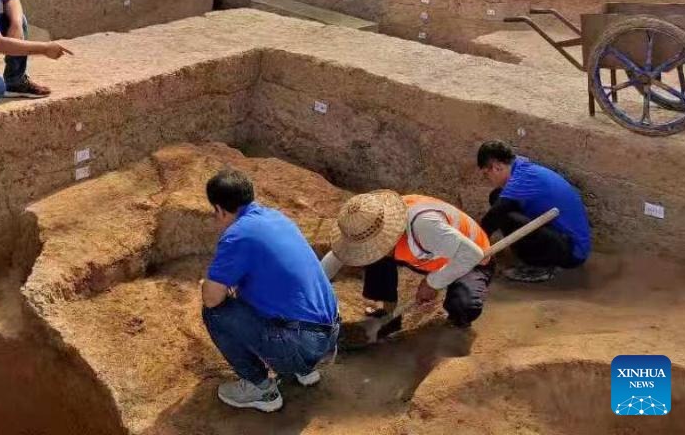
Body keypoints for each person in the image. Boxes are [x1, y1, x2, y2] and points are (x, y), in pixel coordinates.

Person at [201, 168, 339, 413]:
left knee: (215, 312)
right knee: (260, 297)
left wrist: (209, 287)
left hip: (302, 345)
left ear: (220, 209)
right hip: (330, 337)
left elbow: (212, 298)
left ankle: (260, 388)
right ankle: (305, 371)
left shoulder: (237, 236)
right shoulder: (276, 217)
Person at [329, 190, 492, 336]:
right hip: (429, 255)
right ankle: (388, 313)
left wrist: (432, 283)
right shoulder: (369, 222)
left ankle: (457, 326)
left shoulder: (425, 225)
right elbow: (335, 256)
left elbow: (472, 254)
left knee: (463, 306)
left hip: (471, 259)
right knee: (373, 256)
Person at [478, 141, 591, 283]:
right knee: (497, 197)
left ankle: (541, 267)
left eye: (486, 174)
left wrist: (473, 250)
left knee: (504, 215)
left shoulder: (522, 180)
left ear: (496, 167)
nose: (488, 179)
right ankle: (530, 255)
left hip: (572, 252)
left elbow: (491, 219)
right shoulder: (521, 167)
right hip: (559, 238)